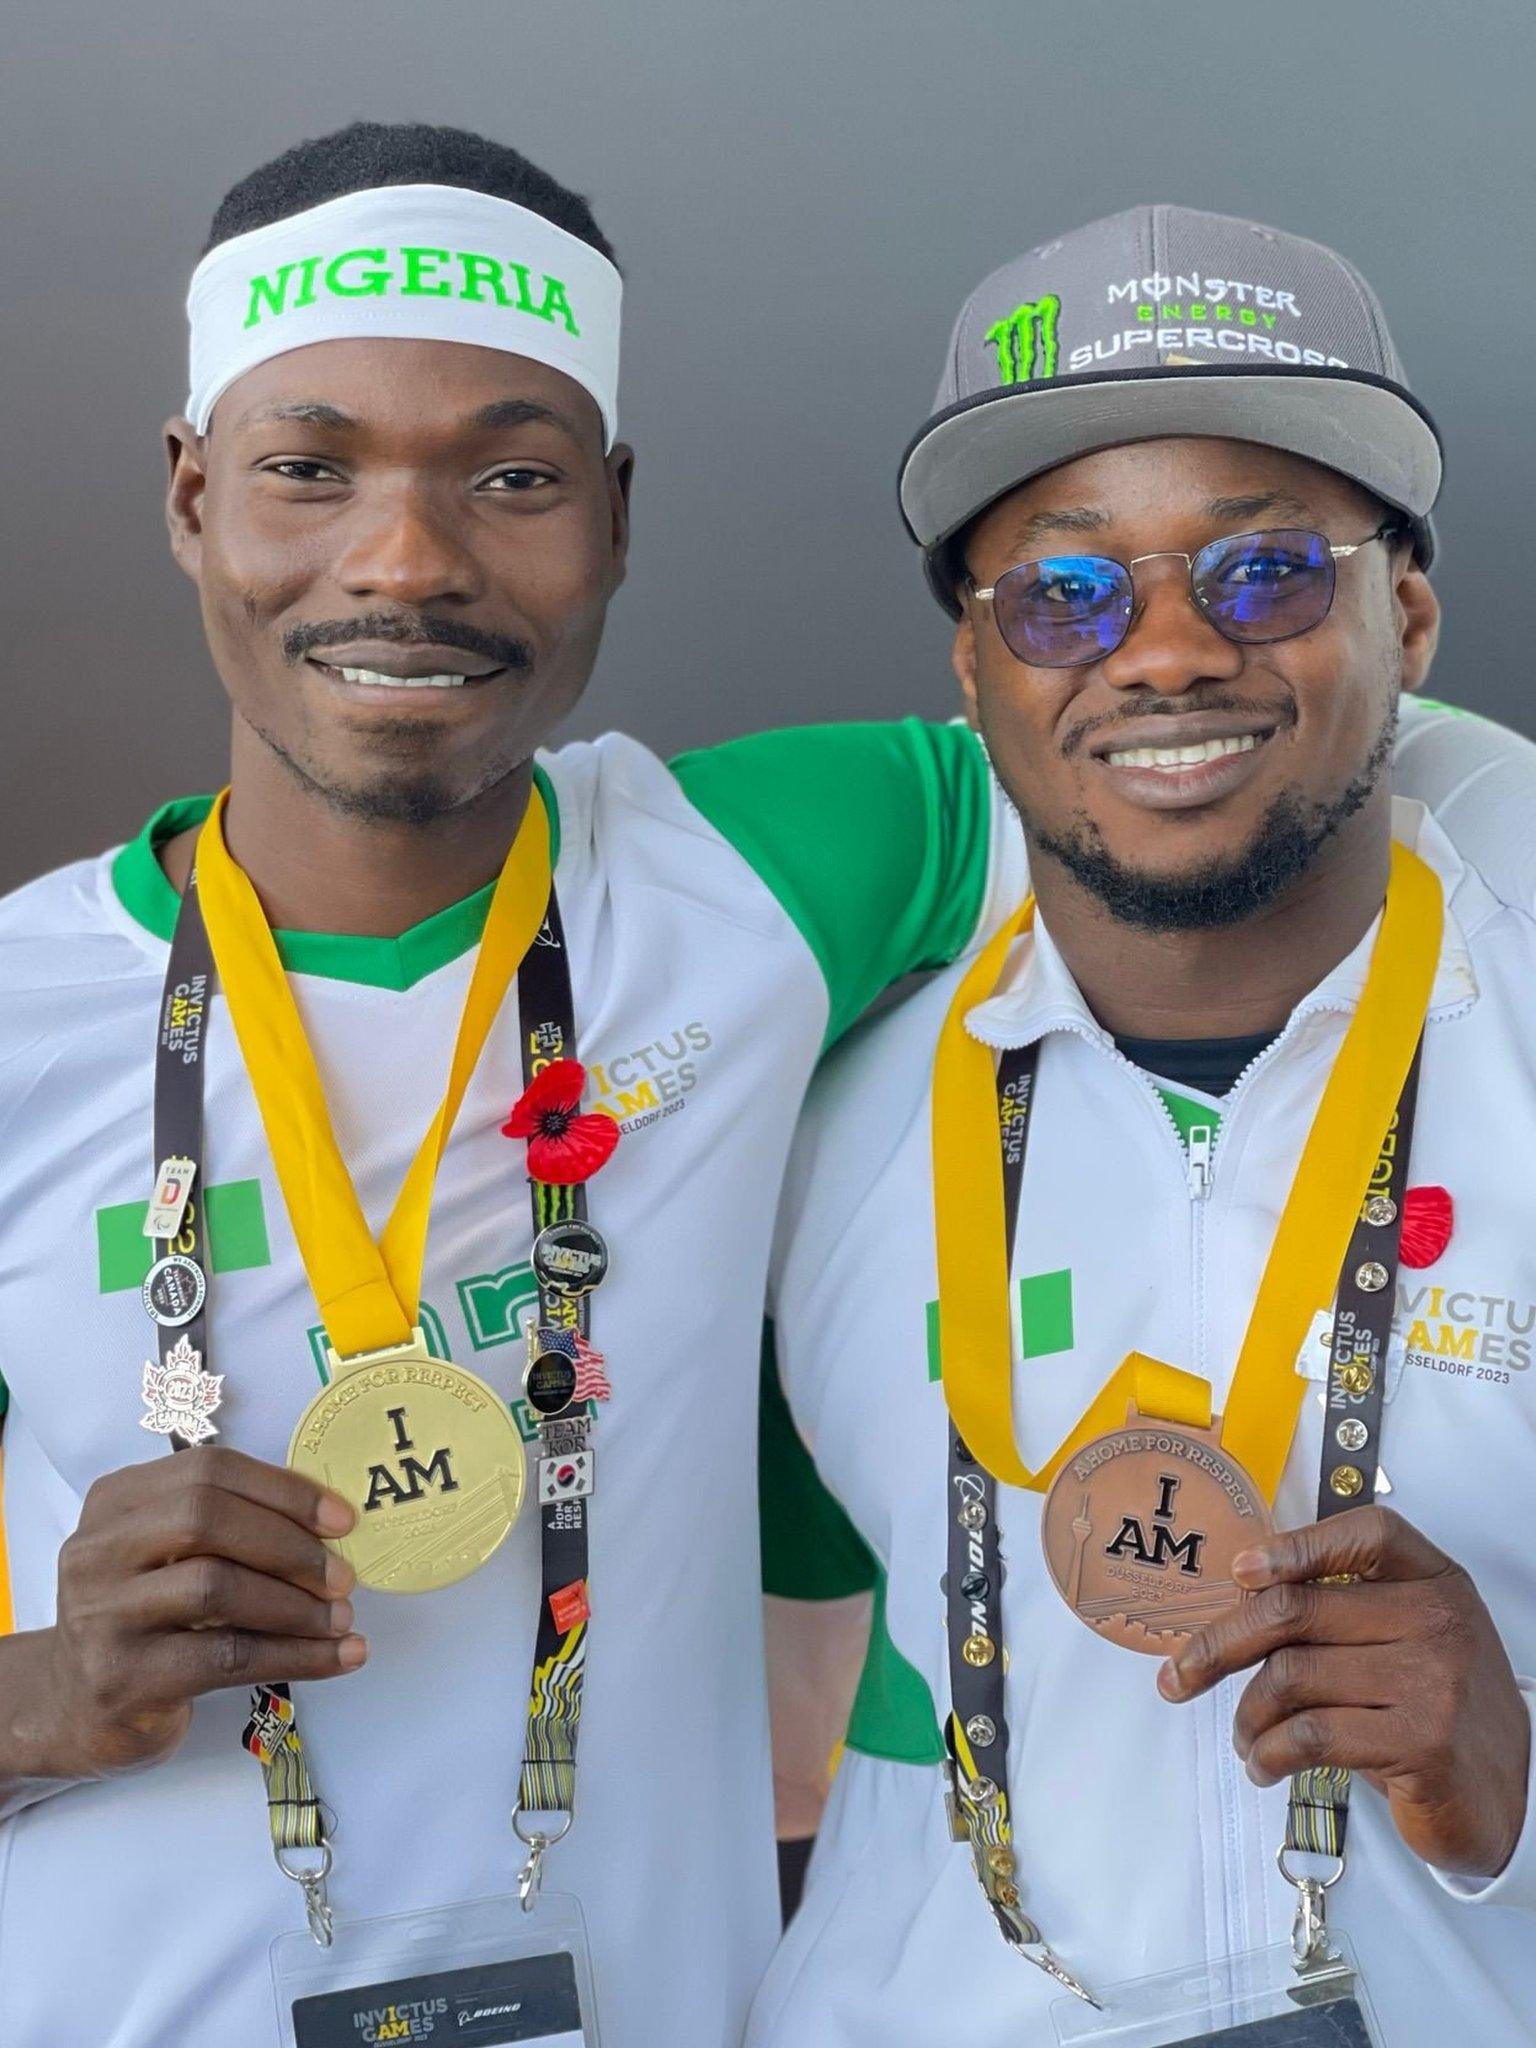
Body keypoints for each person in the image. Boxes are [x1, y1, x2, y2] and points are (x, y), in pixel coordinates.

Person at [0, 120, 1033, 2048]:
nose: (406, 560)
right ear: (190, 493)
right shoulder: (10, 1012)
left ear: (616, 516)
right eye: (308, 469)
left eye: (512, 476)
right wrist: (35, 1690)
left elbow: (1232, 735)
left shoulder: (771, 874)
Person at [753, 205, 1536, 2046]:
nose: (1166, 653)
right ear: (975, 666)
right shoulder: (808, 1107)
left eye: (1264, 571)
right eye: (1065, 592)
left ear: (1404, 612)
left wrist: (1517, 1775)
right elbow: (774, 1718)